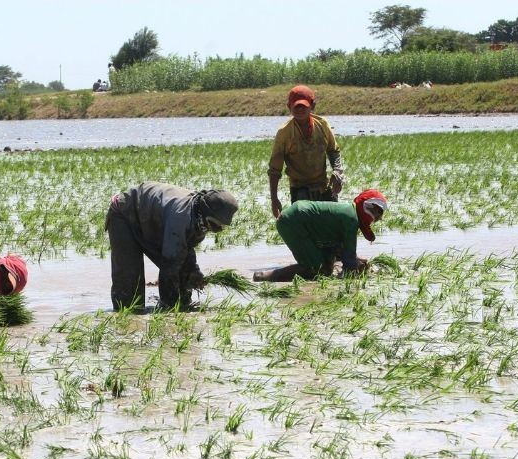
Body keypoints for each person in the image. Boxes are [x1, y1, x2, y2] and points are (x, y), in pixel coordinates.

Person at [106, 182, 238, 310]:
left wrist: (193, 272)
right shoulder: (181, 216)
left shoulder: (198, 219)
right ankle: (126, 318)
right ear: (207, 215)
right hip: (124, 213)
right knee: (129, 285)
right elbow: (170, 263)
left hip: (148, 218)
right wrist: (170, 306)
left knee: (183, 271)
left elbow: (185, 251)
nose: (217, 229)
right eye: (216, 225)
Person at [254, 189, 388, 282]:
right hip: (294, 222)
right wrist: (358, 266)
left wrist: (355, 259)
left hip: (296, 218)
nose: (374, 218)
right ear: (367, 206)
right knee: (315, 269)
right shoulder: (351, 219)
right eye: (375, 213)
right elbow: (349, 264)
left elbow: (339, 250)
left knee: (327, 266)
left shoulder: (350, 213)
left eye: (377, 216)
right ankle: (264, 276)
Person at [268, 85, 344, 219]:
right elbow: (274, 170)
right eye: (296, 106)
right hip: (300, 189)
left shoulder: (322, 125)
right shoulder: (284, 133)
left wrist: (337, 171)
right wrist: (274, 200)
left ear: (312, 106)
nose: (300, 110)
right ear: (289, 107)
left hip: (324, 186)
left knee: (332, 227)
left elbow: (333, 151)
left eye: (304, 106)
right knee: (307, 229)